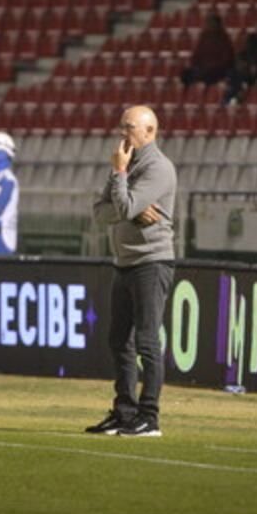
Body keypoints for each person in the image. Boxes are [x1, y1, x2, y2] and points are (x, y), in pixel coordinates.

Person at [86, 105, 177, 438]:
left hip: (151, 261)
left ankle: (149, 416)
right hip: (124, 262)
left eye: (130, 127)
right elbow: (101, 211)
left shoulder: (158, 168)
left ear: (150, 132)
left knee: (147, 341)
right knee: (118, 339)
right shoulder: (125, 164)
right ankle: (124, 412)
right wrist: (130, 208)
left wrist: (121, 178)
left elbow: (120, 206)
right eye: (122, 126)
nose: (123, 133)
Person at [180, 12, 235, 88]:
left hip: (218, 70)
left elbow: (227, 58)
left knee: (209, 74)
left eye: (212, 23)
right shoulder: (204, 37)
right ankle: (189, 96)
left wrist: (214, 65)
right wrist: (195, 65)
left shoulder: (224, 39)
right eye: (208, 23)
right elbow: (196, 55)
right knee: (185, 74)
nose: (210, 25)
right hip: (203, 68)